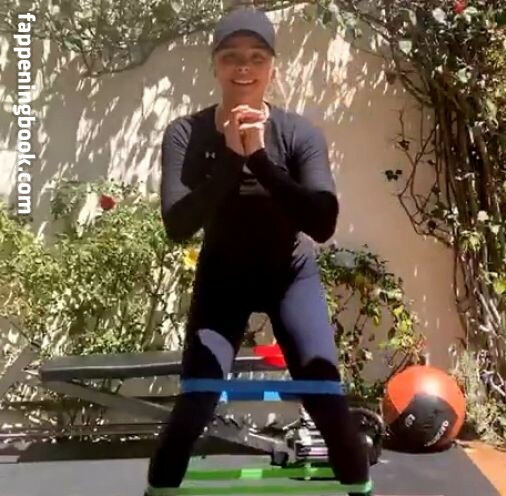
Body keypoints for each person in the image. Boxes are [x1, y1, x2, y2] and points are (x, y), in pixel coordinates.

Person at [146, 7, 371, 496]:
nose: (243, 67)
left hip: (289, 276)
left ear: (271, 68)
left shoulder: (299, 133)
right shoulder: (186, 134)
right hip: (222, 280)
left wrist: (260, 159)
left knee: (326, 398)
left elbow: (322, 222)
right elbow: (178, 226)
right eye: (231, 56)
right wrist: (231, 156)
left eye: (256, 57)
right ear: (215, 65)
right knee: (196, 401)